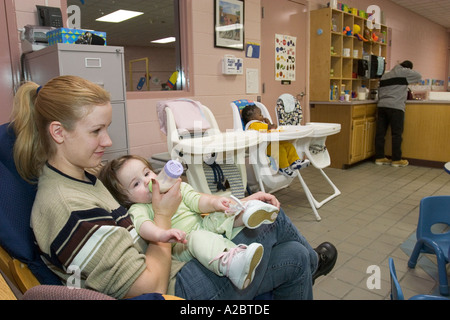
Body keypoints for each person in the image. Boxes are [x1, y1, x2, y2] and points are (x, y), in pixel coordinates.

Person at [11, 75, 337, 300]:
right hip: (172, 288)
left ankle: (308, 262)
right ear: (58, 132)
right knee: (276, 224)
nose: (107, 141)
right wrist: (164, 216)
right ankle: (313, 263)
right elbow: (147, 286)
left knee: (294, 257)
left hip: (177, 264)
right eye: (97, 131)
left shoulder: (81, 175)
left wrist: (234, 202)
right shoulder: (64, 206)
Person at [99, 154, 280, 290]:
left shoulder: (177, 188)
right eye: (136, 184)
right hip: (183, 244)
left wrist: (215, 202)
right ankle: (232, 263)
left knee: (220, 216)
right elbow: (143, 227)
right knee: (198, 237)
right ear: (126, 199)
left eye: (147, 173)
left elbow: (197, 201)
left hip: (201, 224)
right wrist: (161, 234)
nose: (147, 181)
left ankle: (247, 211)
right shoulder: (139, 208)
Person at [375, 60, 422, 167]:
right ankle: (396, 159)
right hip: (396, 107)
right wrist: (407, 71)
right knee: (396, 134)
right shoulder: (404, 72)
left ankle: (379, 157)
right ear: (408, 68)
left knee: (380, 134)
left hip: (382, 106)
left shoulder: (385, 75)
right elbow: (419, 76)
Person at [241, 104, 307, 177]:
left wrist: (267, 124)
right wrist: (271, 124)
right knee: (280, 150)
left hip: (268, 144)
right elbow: (271, 128)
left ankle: (295, 162)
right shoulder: (254, 124)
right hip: (261, 148)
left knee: (288, 145)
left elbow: (267, 129)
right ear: (252, 118)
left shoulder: (259, 124)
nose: (262, 116)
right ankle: (284, 168)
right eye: (260, 115)